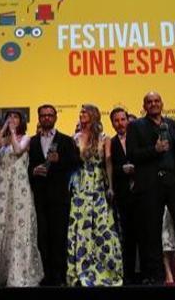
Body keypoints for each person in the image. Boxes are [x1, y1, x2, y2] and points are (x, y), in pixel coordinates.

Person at [126, 92, 175, 284]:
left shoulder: (171, 124)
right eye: (149, 102)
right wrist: (153, 151)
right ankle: (156, 276)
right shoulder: (136, 126)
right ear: (144, 106)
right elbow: (132, 154)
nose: (154, 104)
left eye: (156, 101)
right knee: (152, 231)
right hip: (151, 183)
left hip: (174, 181)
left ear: (162, 103)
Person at [0, 111, 43, 286]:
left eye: (16, 117)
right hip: (2, 189)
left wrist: (13, 132)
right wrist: (2, 133)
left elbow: (17, 150)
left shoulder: (26, 138)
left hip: (20, 189)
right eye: (10, 117)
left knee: (18, 228)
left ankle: (18, 273)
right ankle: (1, 273)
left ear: (21, 121)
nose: (12, 120)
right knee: (1, 227)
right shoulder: (3, 140)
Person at [66, 104, 123, 286]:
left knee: (102, 227)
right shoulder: (74, 139)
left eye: (85, 112)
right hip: (80, 186)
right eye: (80, 112)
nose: (81, 114)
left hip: (98, 185)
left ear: (93, 115)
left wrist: (111, 186)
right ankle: (81, 270)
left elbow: (108, 163)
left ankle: (106, 270)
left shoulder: (104, 138)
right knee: (81, 229)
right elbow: (72, 165)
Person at [28, 104, 79, 286]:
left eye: (50, 115)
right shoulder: (32, 141)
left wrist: (60, 160)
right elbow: (25, 168)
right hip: (39, 197)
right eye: (43, 115)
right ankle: (45, 275)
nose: (47, 118)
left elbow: (75, 163)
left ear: (56, 117)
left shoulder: (65, 140)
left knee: (59, 237)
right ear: (39, 118)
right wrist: (33, 170)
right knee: (42, 237)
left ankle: (59, 276)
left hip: (59, 197)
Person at [108, 107, 138, 284]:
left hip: (142, 192)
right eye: (116, 120)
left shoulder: (138, 139)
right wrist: (122, 169)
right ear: (112, 123)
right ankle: (128, 275)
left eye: (122, 119)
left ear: (128, 120)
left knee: (145, 234)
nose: (120, 123)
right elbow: (108, 168)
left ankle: (148, 274)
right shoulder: (110, 142)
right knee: (127, 236)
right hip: (123, 194)